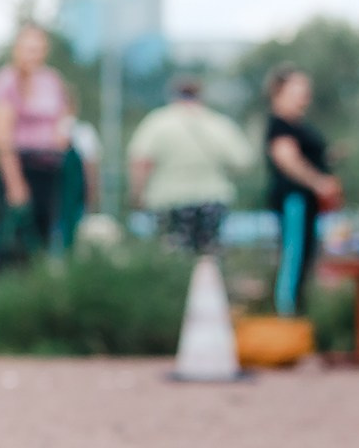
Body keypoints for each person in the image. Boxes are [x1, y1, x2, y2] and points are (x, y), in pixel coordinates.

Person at [126, 76, 254, 252]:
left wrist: (137, 195)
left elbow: (140, 161)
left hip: (168, 200)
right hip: (212, 199)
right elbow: (243, 160)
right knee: (207, 256)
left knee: (172, 254)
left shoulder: (158, 122)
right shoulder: (218, 123)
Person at [0, 25, 72, 271]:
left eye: (39, 49)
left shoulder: (51, 80)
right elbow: (1, 137)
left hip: (49, 167)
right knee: (13, 239)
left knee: (44, 238)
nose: (33, 55)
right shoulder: (6, 83)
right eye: (28, 49)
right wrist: (15, 184)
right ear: (17, 50)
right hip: (19, 166)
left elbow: (62, 116)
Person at [264, 66, 341, 300]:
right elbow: (286, 158)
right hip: (294, 199)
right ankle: (287, 317)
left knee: (306, 257)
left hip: (307, 201)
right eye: (299, 86)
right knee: (293, 258)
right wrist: (318, 182)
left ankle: (296, 310)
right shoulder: (281, 124)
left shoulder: (298, 125)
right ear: (281, 90)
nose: (306, 92)